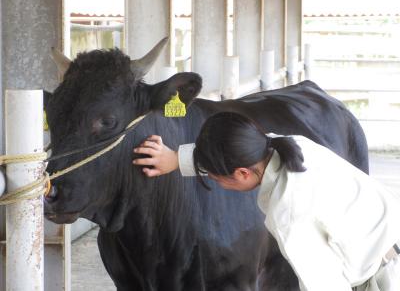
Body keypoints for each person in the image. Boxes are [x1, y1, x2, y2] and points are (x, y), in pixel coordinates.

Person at [133, 111, 400, 291]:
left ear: (242, 173)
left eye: (216, 178)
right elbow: (239, 146)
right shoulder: (290, 145)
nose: (216, 182)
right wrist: (176, 159)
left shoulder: (288, 213)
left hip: (383, 278)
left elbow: (326, 285)